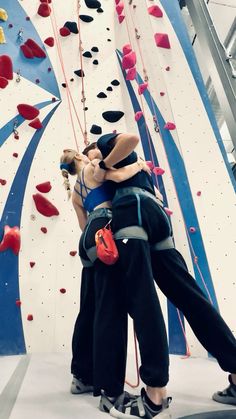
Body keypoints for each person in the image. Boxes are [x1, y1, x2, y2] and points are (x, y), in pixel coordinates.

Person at [82, 132, 236, 418]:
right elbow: (139, 178)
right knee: (190, 296)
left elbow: (128, 138)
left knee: (143, 301)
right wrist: (126, 170)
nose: (93, 160)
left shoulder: (104, 153)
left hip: (132, 214)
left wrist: (105, 167)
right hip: (156, 215)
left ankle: (155, 395)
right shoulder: (136, 166)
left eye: (93, 153)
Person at [59, 148, 150, 411]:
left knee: (89, 308)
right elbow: (120, 176)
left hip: (88, 238)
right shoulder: (92, 167)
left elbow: (82, 223)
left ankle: (82, 376)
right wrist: (139, 166)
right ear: (79, 158)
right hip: (106, 229)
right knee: (111, 308)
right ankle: (111, 390)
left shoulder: (75, 192)